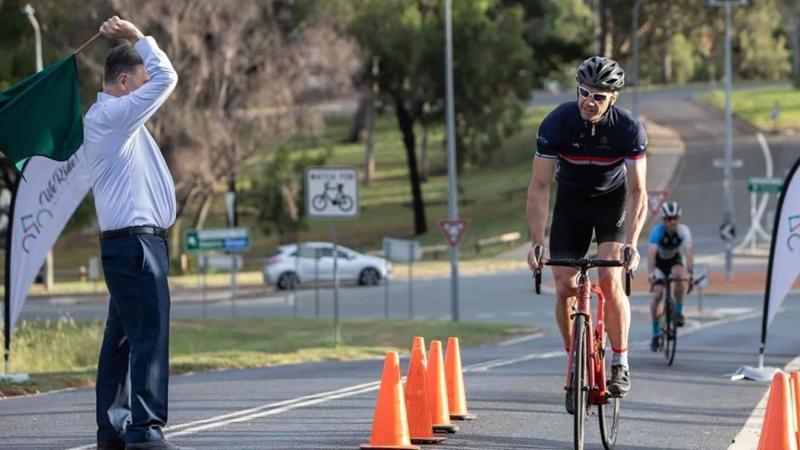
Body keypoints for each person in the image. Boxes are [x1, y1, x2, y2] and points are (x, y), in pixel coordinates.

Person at [83, 16, 187, 450]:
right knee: (149, 336)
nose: (147, 92)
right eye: (140, 84)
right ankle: (144, 429)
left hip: (131, 245)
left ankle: (113, 430)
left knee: (122, 340)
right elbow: (167, 77)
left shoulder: (115, 121)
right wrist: (137, 37)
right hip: (136, 245)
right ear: (124, 82)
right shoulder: (113, 115)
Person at [526, 56, 648, 409]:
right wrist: (536, 242)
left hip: (611, 202)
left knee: (609, 279)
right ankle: (575, 361)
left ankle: (620, 361)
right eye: (583, 92)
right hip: (572, 204)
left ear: (613, 99)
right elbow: (539, 187)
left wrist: (632, 244)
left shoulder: (628, 129)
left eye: (598, 96)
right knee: (564, 285)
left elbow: (638, 191)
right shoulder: (557, 123)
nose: (588, 102)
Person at [648, 201, 694, 351]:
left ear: (678, 219)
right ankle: (655, 333)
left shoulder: (683, 231)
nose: (672, 221)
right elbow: (651, 255)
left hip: (674, 261)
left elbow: (688, 253)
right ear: (664, 220)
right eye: (668, 219)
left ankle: (678, 312)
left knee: (680, 276)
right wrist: (651, 273)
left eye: (675, 218)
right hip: (659, 264)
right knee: (657, 295)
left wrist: (690, 273)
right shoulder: (657, 232)